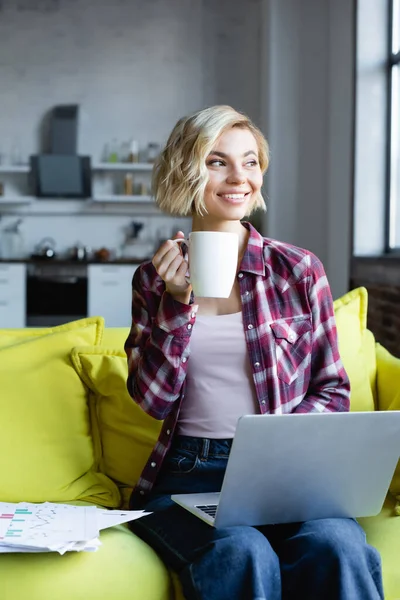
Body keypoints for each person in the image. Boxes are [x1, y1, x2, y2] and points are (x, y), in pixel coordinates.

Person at [124, 105, 383, 600]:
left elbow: (332, 389)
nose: (239, 177)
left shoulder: (299, 269)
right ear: (186, 170)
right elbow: (152, 401)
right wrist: (177, 305)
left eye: (250, 161)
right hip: (188, 476)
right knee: (241, 550)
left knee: (338, 544)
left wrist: (278, 445)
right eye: (217, 161)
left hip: (288, 470)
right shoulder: (154, 278)